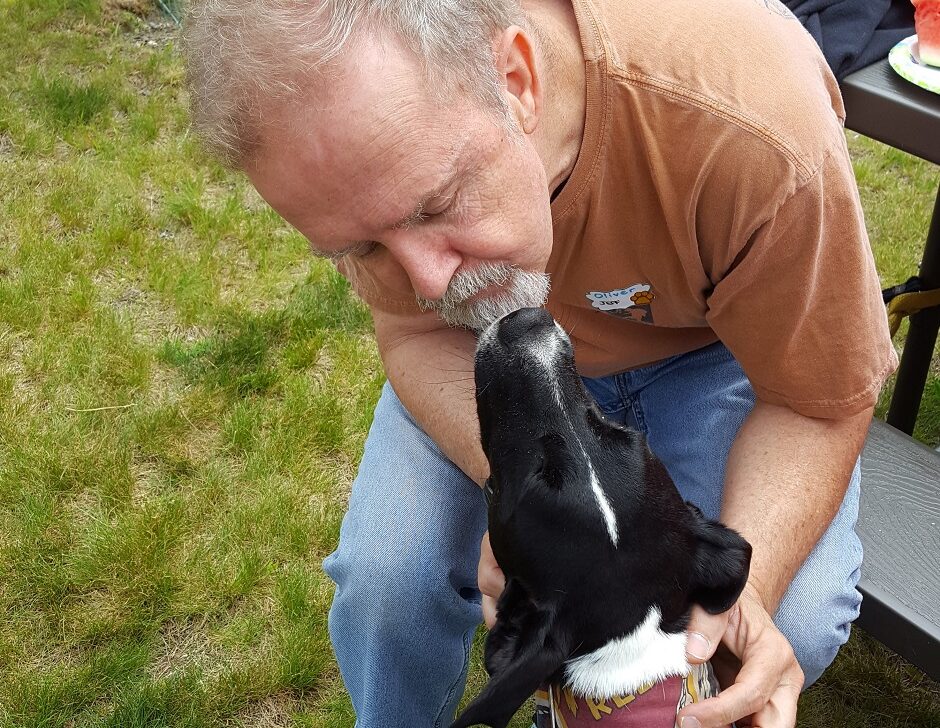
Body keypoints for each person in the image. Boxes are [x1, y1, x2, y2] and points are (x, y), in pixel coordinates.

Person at [182, 1, 897, 726]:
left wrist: (740, 596)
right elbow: (420, 334)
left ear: (517, 77)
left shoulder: (753, 127)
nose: (428, 285)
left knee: (782, 623)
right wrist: (524, 501)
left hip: (709, 350)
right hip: (481, 362)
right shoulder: (380, 183)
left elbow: (815, 399)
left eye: (436, 205)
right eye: (361, 250)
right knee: (387, 586)